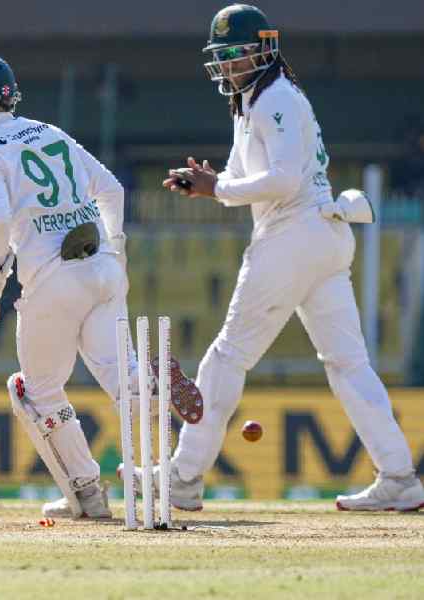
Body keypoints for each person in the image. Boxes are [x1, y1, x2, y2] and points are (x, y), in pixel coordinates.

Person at [160, 4, 424, 512]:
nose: (230, 65)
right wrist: (209, 183)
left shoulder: (276, 96)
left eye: (237, 55)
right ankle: (400, 476)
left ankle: (184, 477)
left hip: (296, 233)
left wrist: (220, 190)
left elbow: (282, 181)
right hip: (319, 235)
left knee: (227, 355)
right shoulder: (251, 101)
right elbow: (240, 174)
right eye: (223, 56)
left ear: (265, 49)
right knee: (349, 365)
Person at [0, 53, 203, 519]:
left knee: (33, 390)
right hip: (103, 268)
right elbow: (113, 190)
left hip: (52, 279)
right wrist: (116, 248)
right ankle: (151, 385)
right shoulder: (49, 131)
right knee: (121, 376)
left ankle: (86, 493)